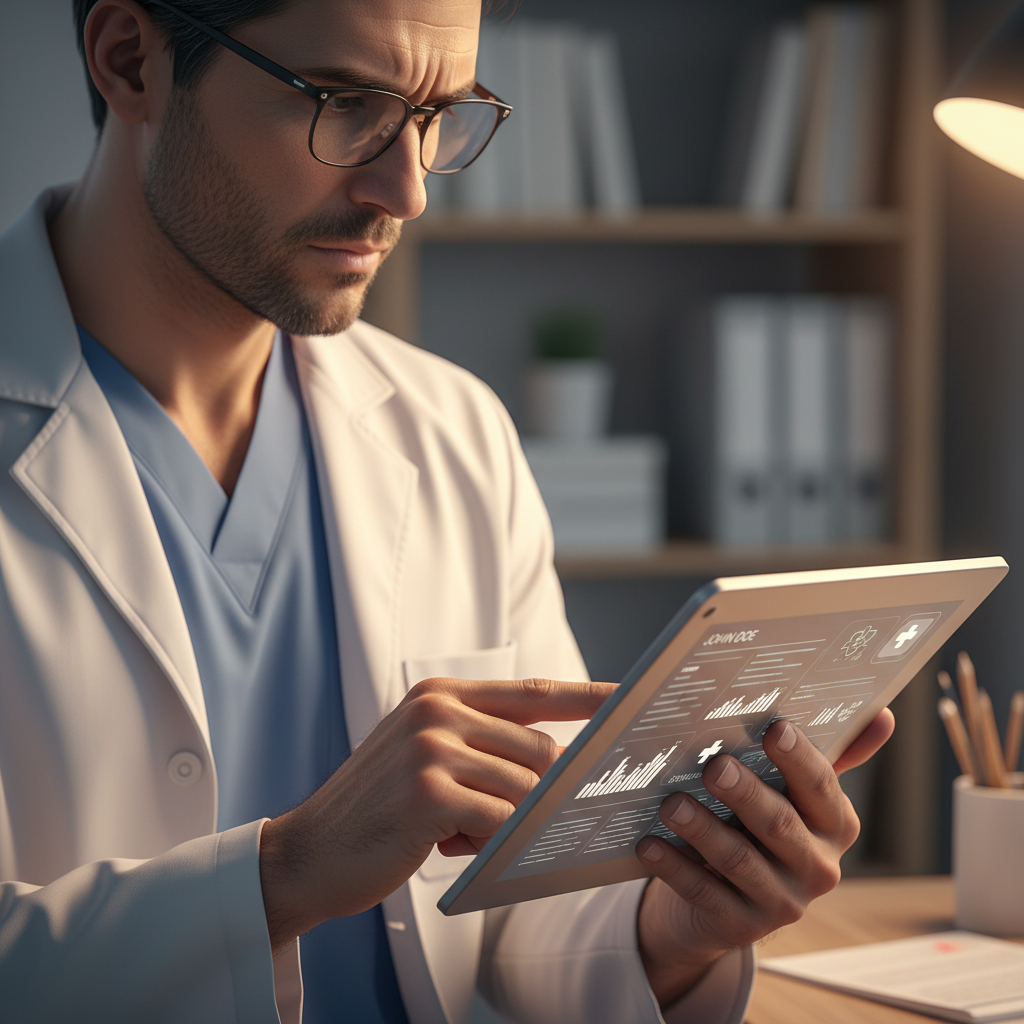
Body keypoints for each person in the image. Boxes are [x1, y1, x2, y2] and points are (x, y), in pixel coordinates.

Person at [0, 1, 896, 1021]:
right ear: (130, 62)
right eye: (347, 106)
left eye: (438, 117)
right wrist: (287, 869)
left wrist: (674, 930)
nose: (407, 189)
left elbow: (514, 907)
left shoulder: (455, 429)